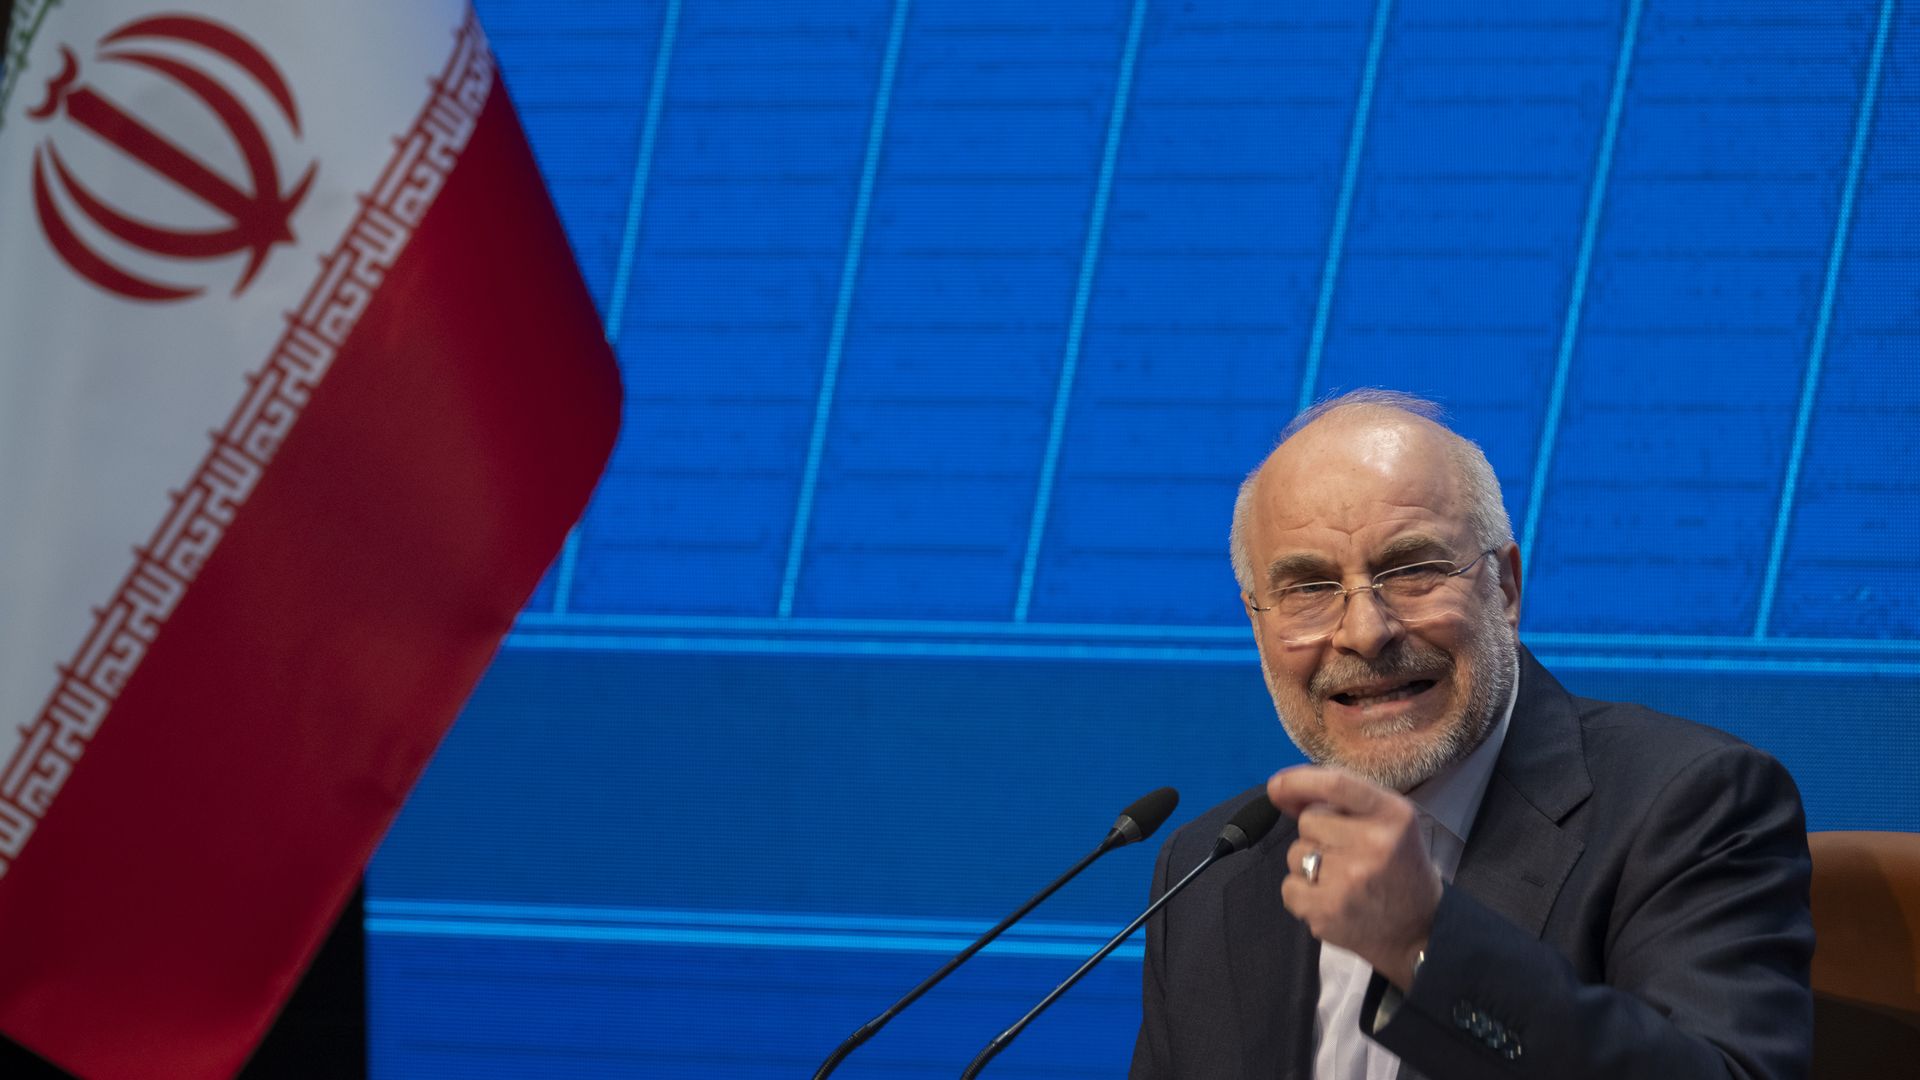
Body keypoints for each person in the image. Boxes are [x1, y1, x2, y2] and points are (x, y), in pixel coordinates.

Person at [1130, 390, 1813, 1079]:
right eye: (1308, 588)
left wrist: (1426, 945)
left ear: (1506, 590)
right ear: (1258, 624)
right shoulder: (1207, 872)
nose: (1365, 632)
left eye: (1413, 571)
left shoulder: (1691, 804)